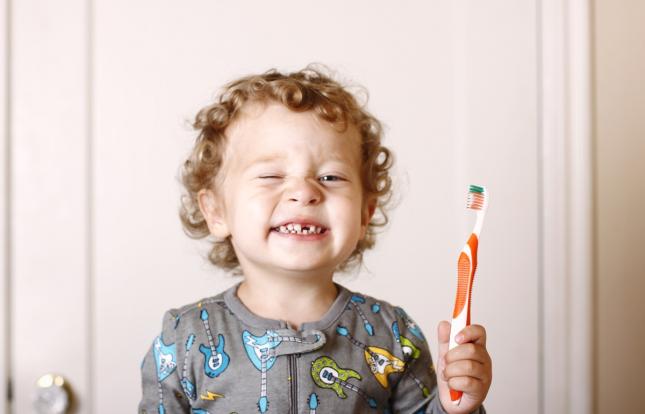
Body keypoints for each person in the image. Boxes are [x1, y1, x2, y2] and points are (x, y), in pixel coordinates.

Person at [138, 65, 492, 414]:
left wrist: (455, 407)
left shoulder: (393, 336)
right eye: (272, 175)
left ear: (364, 214)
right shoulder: (186, 338)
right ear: (216, 212)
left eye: (330, 177)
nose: (304, 192)